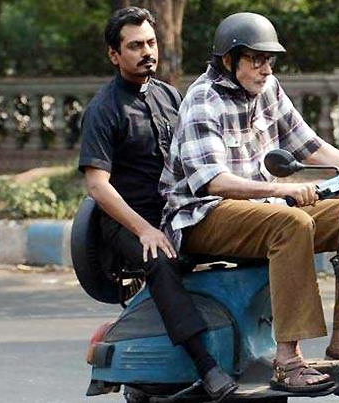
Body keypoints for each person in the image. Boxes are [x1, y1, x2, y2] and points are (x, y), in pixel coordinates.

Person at [159, 12, 339, 393]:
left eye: (269, 60)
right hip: (201, 215)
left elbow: (309, 145)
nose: (265, 69)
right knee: (292, 224)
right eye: (255, 59)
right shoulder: (203, 99)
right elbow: (212, 182)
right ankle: (288, 362)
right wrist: (283, 191)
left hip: (259, 209)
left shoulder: (269, 89)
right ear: (228, 61)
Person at [77, 7, 237, 402]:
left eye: (150, 43)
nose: (147, 52)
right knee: (161, 261)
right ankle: (207, 366)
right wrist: (145, 229)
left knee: (243, 240)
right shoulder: (104, 109)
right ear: (114, 54)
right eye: (135, 46)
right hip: (127, 221)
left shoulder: (169, 96)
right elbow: (97, 186)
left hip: (176, 211)